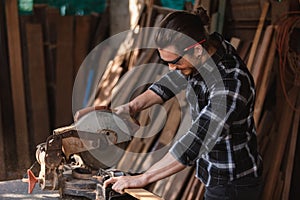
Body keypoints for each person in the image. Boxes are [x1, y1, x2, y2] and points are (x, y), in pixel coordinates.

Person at [99, 7, 263, 200]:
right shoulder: (208, 50)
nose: (172, 68)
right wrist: (132, 107)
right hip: (213, 172)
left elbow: (196, 142)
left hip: (232, 183)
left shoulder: (230, 83)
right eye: (166, 62)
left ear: (197, 50)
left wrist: (142, 178)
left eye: (175, 62)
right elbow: (170, 82)